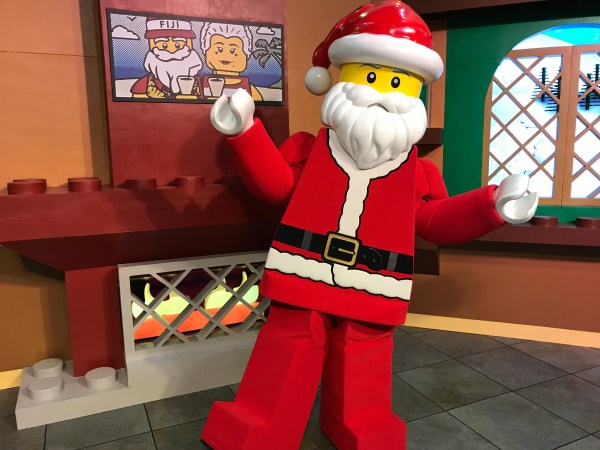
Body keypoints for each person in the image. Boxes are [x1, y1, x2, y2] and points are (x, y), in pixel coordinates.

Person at [201, 2, 538, 449]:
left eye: (398, 82)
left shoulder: (418, 173)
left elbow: (433, 220)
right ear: (339, 80)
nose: (383, 93)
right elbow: (276, 184)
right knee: (291, 343)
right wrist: (244, 131)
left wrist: (492, 205)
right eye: (371, 76)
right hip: (304, 270)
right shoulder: (308, 149)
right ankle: (261, 423)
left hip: (376, 281)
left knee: (364, 354)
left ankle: (361, 423)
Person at [130, 18, 203, 99]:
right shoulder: (145, 84)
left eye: (177, 45)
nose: (172, 51)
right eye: (164, 45)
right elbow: (136, 101)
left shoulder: (197, 83)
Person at [200, 23, 263, 101]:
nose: (225, 56)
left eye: (232, 50)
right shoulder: (200, 86)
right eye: (219, 49)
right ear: (205, 50)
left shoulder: (249, 90)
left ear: (246, 54)